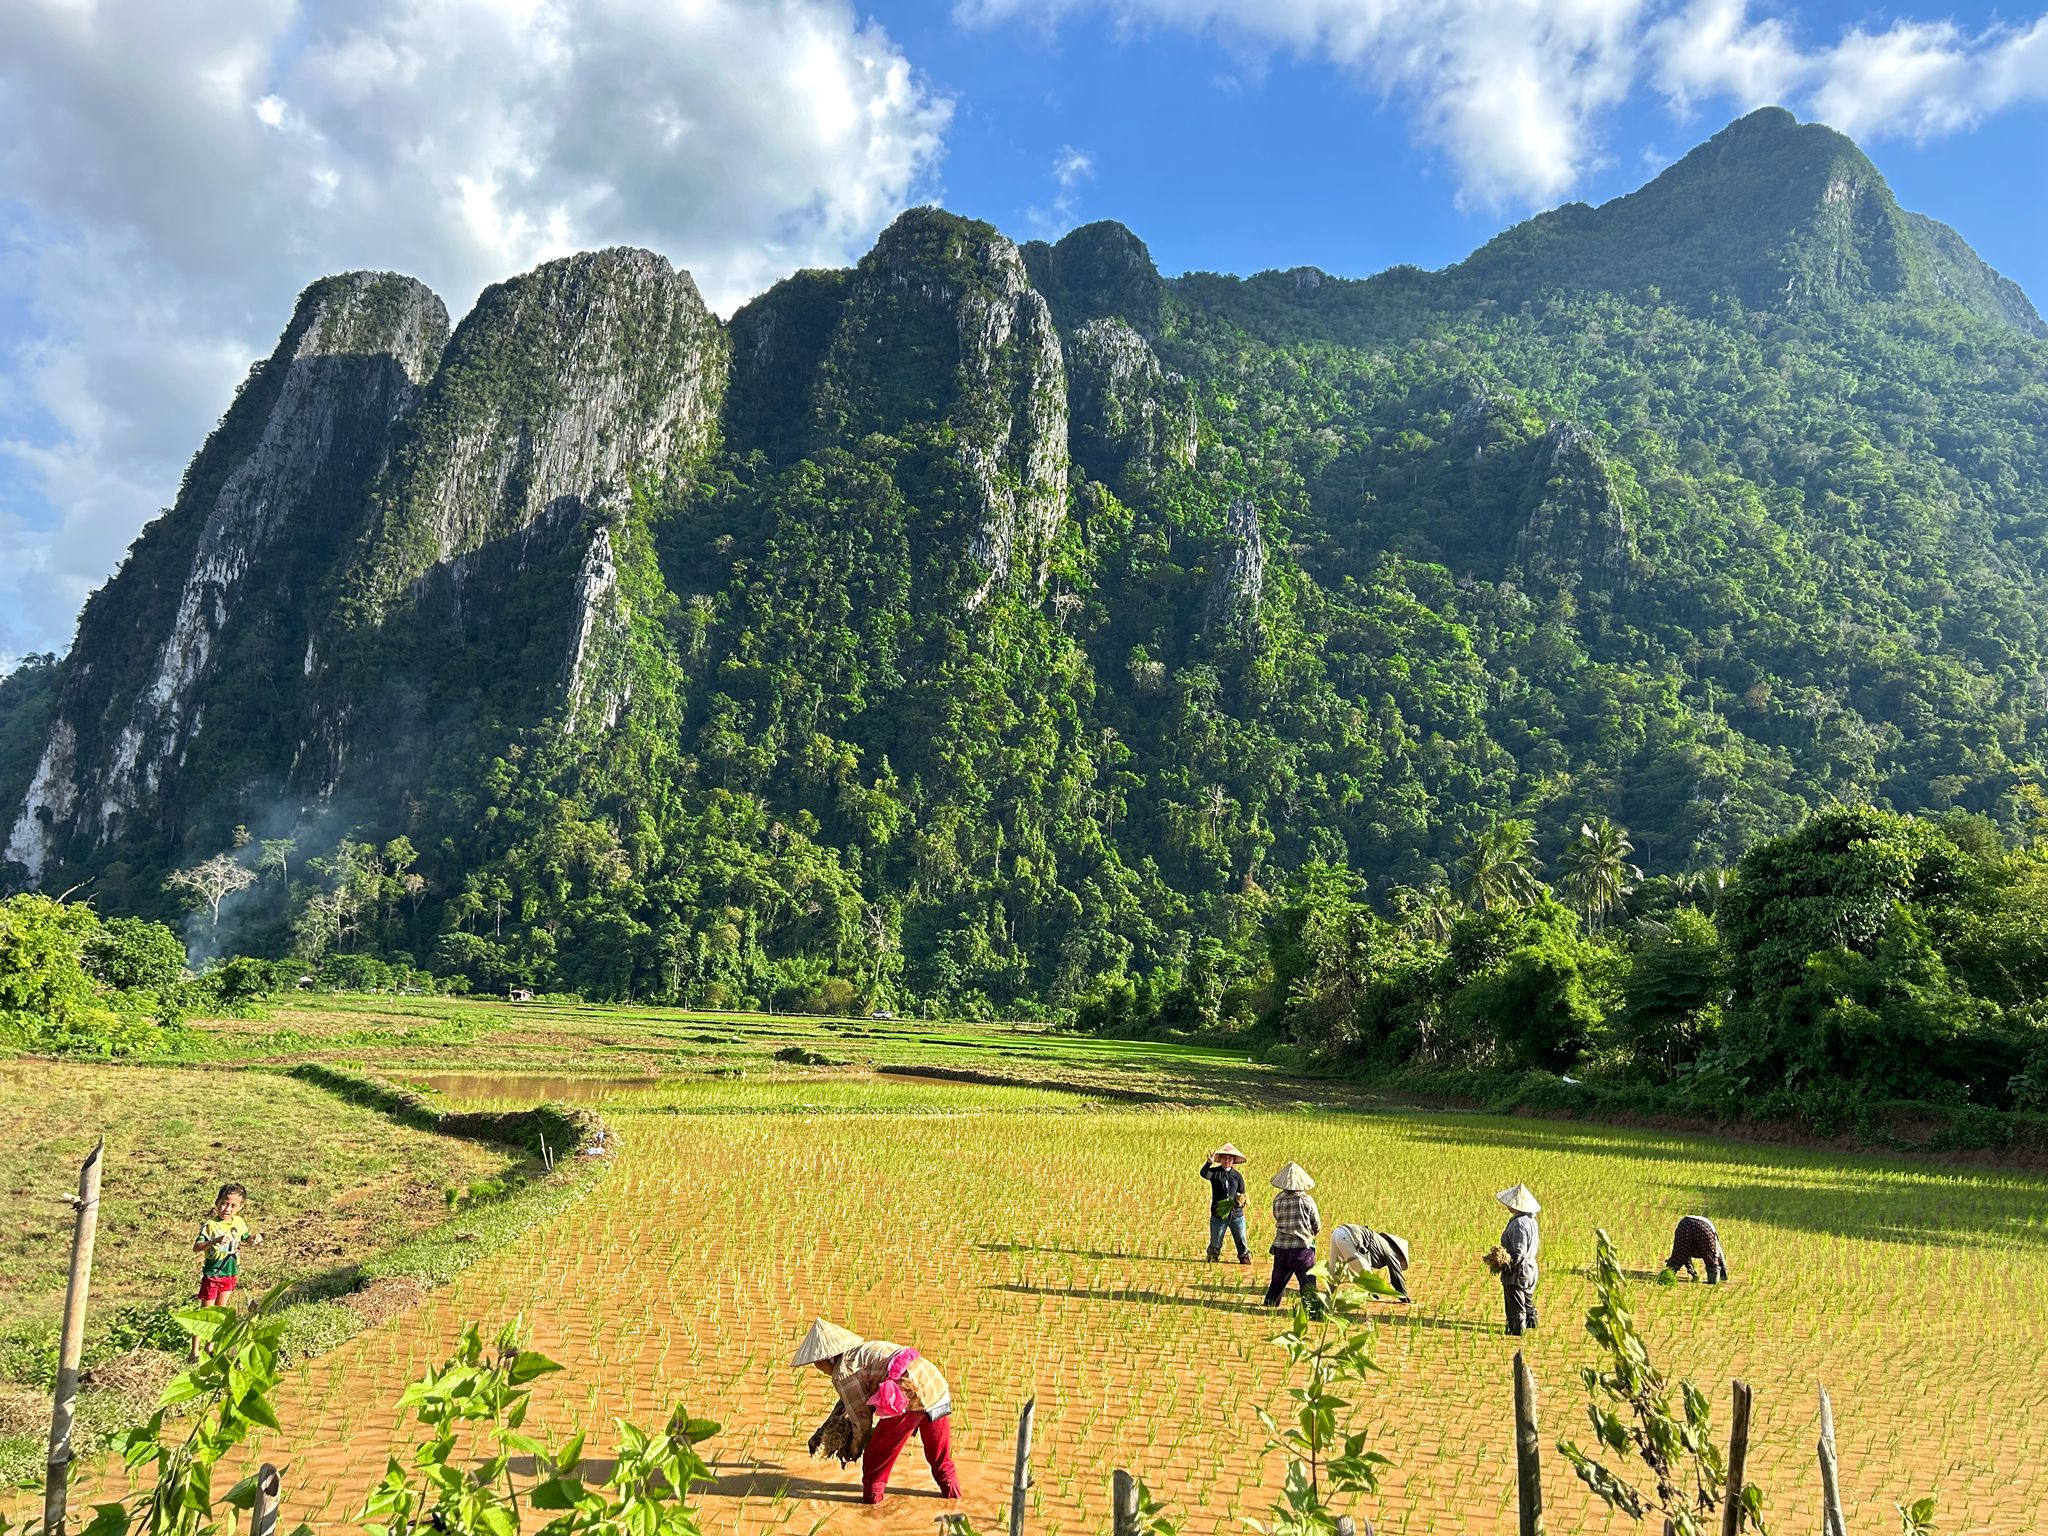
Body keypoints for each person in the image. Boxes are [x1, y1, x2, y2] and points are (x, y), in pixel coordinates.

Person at [792, 1318, 963, 1506]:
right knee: (941, 1459)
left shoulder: (843, 1371)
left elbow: (862, 1420)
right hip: (935, 1386)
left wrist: (853, 1449)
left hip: (910, 1394)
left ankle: (872, 1510)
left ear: (825, 1358)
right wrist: (824, 1431)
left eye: (816, 1363)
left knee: (875, 1461)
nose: (817, 1368)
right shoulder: (862, 1352)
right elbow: (846, 1404)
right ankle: (956, 1503)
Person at [191, 1182, 262, 1358]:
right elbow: (197, 1247)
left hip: (230, 1274)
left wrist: (254, 1239)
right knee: (205, 1314)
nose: (227, 1208)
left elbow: (245, 1238)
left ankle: (210, 1347)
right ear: (217, 1203)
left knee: (220, 1312)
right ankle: (194, 1351)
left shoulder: (239, 1222)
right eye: (224, 1203)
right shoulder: (210, 1225)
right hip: (213, 1275)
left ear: (240, 1207)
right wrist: (213, 1242)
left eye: (233, 1205)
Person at [1264, 1162, 1323, 1316]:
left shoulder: (1278, 1199)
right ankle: (1313, 1313)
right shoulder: (1307, 1200)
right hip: (1301, 1250)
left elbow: (1276, 1217)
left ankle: (1270, 1305)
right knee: (1308, 1283)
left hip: (1281, 1249)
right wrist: (1312, 1232)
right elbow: (1316, 1223)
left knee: (1277, 1281)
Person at [1496, 1184, 1540, 1336]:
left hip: (1518, 1271)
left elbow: (1518, 1252)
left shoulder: (1518, 1224)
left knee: (1516, 1308)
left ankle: (1516, 1335)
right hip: (1530, 1269)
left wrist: (1503, 1262)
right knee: (1527, 1304)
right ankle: (1532, 1334)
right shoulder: (1530, 1220)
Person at [1330, 1223, 1413, 1302]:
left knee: (1333, 1273)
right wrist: (1404, 1297)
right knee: (1368, 1278)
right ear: (1399, 1251)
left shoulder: (1380, 1243)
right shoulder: (1392, 1252)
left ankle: (1327, 1299)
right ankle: (1371, 1300)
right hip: (1348, 1237)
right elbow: (1397, 1276)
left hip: (1337, 1232)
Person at [1200, 1143, 1251, 1264]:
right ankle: (1213, 1259)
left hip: (1236, 1215)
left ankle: (1244, 1260)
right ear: (1221, 1159)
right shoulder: (1215, 1173)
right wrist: (1209, 1163)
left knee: (1242, 1243)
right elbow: (1203, 1173)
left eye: (1230, 1158)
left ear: (1233, 1160)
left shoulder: (1237, 1176)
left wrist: (1240, 1202)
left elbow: (1242, 1193)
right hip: (1218, 1214)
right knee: (1215, 1245)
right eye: (1224, 1158)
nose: (1227, 1160)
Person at [1664, 1214, 1729, 1284]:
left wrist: (1693, 1274)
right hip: (1704, 1228)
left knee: (1677, 1258)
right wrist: (1724, 1277)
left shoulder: (1687, 1246)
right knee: (1712, 1265)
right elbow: (1719, 1257)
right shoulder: (1712, 1243)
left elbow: (1683, 1255)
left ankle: (1666, 1277)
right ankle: (1713, 1280)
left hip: (1685, 1224)